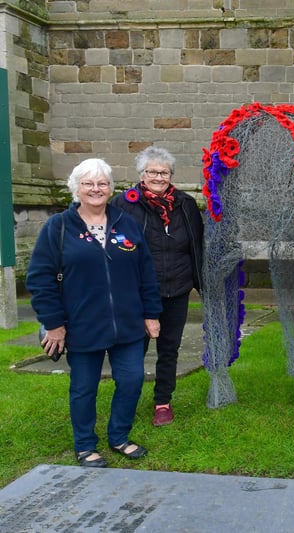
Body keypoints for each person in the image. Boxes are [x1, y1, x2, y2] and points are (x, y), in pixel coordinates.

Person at [27, 158, 162, 468]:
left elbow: (146, 272)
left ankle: (119, 436)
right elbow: (40, 279)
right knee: (84, 388)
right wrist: (54, 325)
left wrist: (151, 313)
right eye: (88, 183)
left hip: (127, 323)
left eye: (102, 183)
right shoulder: (58, 227)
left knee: (131, 380)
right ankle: (85, 445)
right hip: (82, 325)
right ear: (76, 188)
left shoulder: (125, 222)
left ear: (110, 188)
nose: (96, 189)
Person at [111, 146, 204, 427]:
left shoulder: (185, 204)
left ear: (171, 175)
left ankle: (163, 401)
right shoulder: (123, 204)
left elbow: (197, 246)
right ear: (142, 174)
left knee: (169, 348)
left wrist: (200, 284)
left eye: (164, 172)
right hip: (137, 293)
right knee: (133, 348)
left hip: (176, 289)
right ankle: (128, 396)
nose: (158, 177)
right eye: (152, 171)